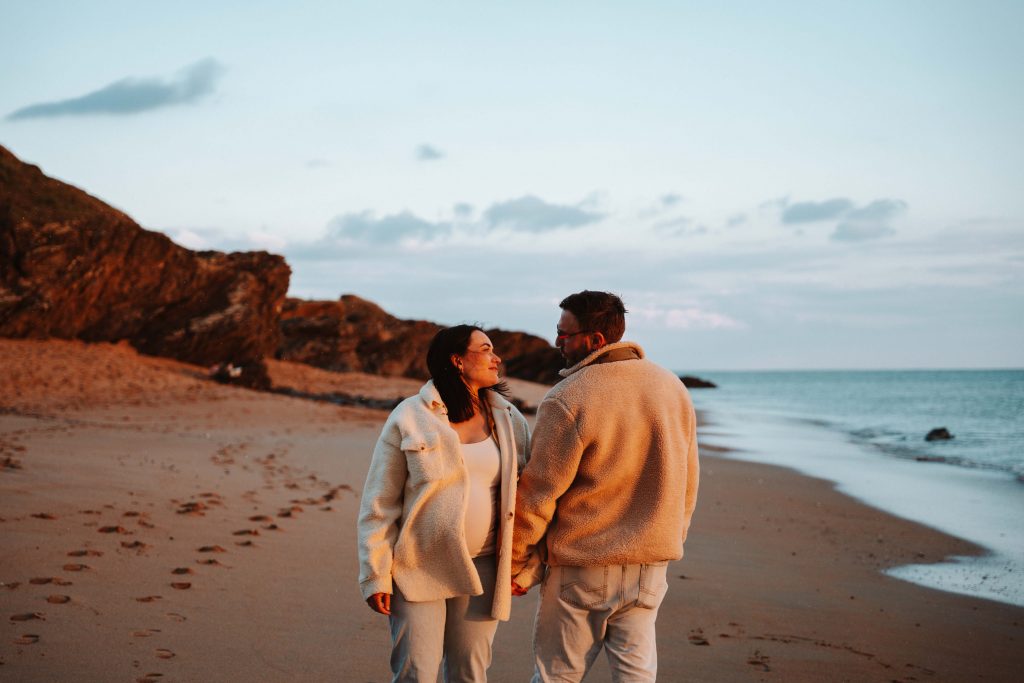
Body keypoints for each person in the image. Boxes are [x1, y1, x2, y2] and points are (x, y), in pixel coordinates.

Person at [510, 290, 700, 683]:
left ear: (595, 340)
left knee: (557, 676)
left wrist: (516, 560)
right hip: (650, 564)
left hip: (584, 564)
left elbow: (538, 493)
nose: (557, 342)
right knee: (637, 677)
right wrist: (671, 536)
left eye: (565, 334)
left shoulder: (568, 397)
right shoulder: (672, 388)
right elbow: (688, 482)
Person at [357, 324, 534, 682]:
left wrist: (526, 564)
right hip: (419, 562)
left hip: (484, 567)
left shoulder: (510, 419)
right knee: (416, 672)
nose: (496, 357)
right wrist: (375, 574)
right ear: (457, 360)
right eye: (485, 349)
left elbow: (528, 497)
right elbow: (379, 501)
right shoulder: (410, 416)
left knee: (470, 672)